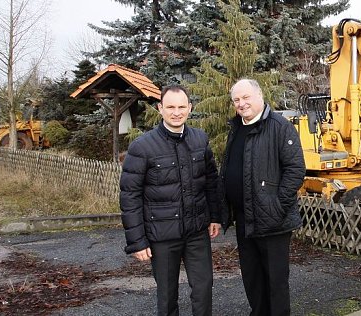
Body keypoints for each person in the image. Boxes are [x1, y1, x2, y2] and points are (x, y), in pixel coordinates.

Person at [119, 85, 222, 316]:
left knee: (204, 289)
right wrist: (137, 241)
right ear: (160, 109)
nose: (177, 112)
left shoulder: (199, 140)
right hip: (162, 235)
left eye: (182, 107)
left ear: (190, 108)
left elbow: (211, 182)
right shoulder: (142, 147)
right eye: (171, 107)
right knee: (167, 295)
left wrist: (215, 216)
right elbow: (130, 195)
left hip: (196, 232)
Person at [218, 78, 306, 316]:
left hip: (273, 221)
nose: (241, 104)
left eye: (246, 97)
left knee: (276, 282)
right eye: (236, 100)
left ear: (260, 96)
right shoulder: (237, 128)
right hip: (245, 218)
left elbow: (295, 169)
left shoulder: (280, 127)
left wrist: (277, 206)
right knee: (252, 278)